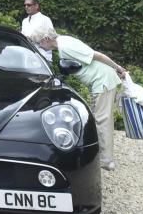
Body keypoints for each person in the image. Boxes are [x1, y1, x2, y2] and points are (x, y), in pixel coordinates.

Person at [27, 22, 126, 171]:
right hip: (99, 82)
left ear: (46, 38)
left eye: (39, 42)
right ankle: (102, 156)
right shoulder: (62, 46)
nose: (40, 46)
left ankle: (107, 161)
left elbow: (96, 55)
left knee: (102, 120)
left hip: (102, 81)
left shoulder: (67, 45)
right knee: (98, 118)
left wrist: (118, 68)